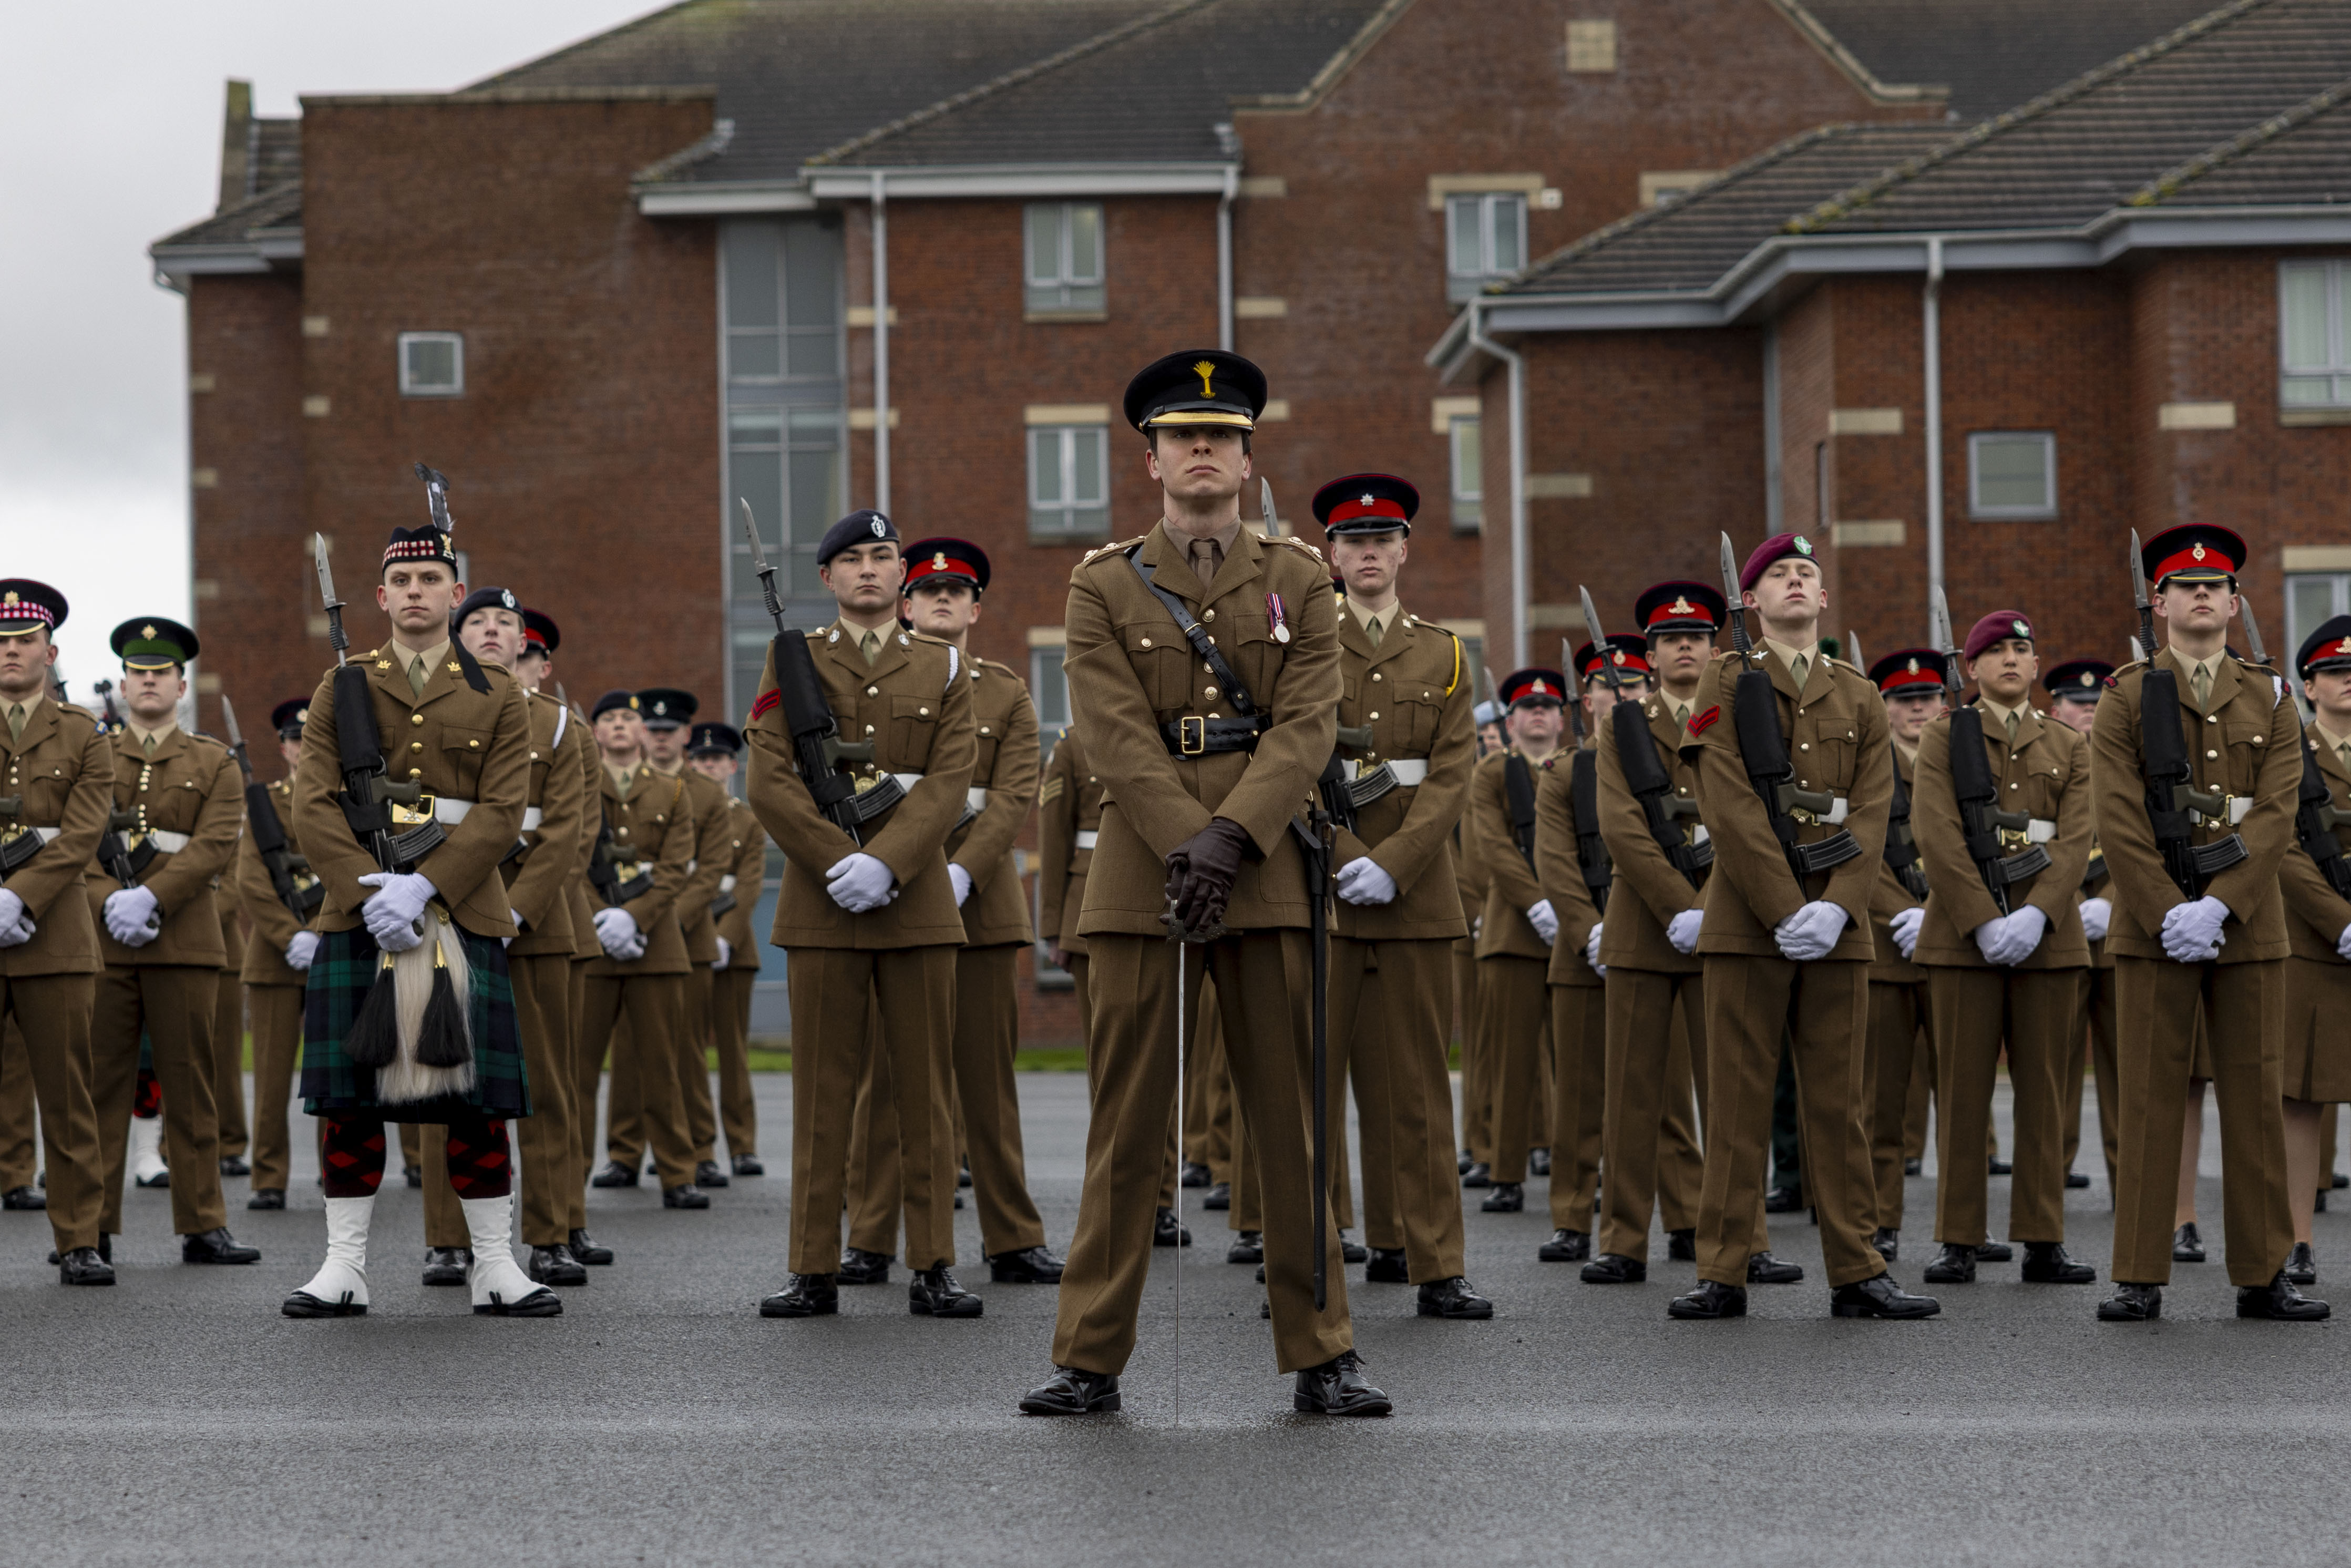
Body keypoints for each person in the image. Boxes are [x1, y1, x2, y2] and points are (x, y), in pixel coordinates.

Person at [1020, 350, 1385, 1417]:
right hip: (1145, 869)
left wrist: (1231, 836)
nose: (1201, 452)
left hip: (1264, 866)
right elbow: (1108, 729)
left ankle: (1324, 1354)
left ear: (1245, 456)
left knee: (1288, 1126)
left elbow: (1310, 719)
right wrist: (1189, 840)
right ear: (1150, 462)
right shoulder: (1102, 582)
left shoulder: (1300, 577)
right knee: (1128, 1128)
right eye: (1182, 436)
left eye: (1219, 437)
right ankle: (1087, 1358)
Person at [283, 510, 556, 1319]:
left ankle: (496, 1265)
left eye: (429, 578)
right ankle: (344, 1266)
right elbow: (313, 803)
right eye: (400, 580)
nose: (414, 591)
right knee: (352, 1099)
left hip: (463, 910)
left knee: (476, 1100)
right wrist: (373, 890)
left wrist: (426, 886)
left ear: (455, 591)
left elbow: (504, 812)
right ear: (379, 595)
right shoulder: (344, 685)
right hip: (361, 912)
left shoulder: (500, 693)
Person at [1672, 532, 1936, 1320]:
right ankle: (1722, 1267)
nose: (1794, 582)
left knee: (1838, 1103)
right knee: (1740, 1100)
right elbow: (1726, 802)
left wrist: (1836, 905)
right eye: (1777, 575)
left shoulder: (1856, 693)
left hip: (1837, 925)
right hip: (1750, 924)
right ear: (1749, 602)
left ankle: (1858, 1267)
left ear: (1823, 601)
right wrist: (1789, 909)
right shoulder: (1722, 678)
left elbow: (1872, 806)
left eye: (1806, 575)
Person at [745, 508, 979, 1321]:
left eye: (884, 556)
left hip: (914, 901)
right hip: (823, 901)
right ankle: (812, 1264)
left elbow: (952, 780)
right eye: (853, 559)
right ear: (828, 578)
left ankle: (934, 1262)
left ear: (902, 575)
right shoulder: (793, 660)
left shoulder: (945, 668)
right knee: (823, 1094)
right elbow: (769, 777)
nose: (871, 570)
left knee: (925, 1091)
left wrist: (887, 860)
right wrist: (832, 858)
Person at [2089, 524, 2321, 1321]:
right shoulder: (2124, 695)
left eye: (2215, 585)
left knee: (2254, 1095)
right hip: (2156, 926)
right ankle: (2139, 1271)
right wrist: (2169, 911)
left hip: (2246, 924)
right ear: (2158, 602)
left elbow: (2278, 810)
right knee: (2151, 1097)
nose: (2200, 595)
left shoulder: (2271, 696)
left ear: (2233, 602)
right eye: (2184, 586)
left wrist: (2219, 904)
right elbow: (2117, 819)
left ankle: (2261, 1272)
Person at [844, 537, 1063, 1284]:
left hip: (978, 899)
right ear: (904, 603)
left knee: (984, 1079)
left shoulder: (1004, 690)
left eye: (958, 591)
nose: (943, 600)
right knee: (885, 1077)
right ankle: (870, 1237)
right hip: (893, 895)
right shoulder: (874, 680)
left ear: (976, 608)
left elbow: (1011, 796)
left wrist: (965, 871)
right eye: (928, 590)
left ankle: (1011, 1235)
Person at [1312, 473, 1486, 1319]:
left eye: (1383, 539)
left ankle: (1434, 1260)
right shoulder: (1300, 644)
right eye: (1354, 541)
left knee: (1419, 1088)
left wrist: (1398, 861)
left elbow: (1455, 775)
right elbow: (1289, 762)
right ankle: (1309, 1260)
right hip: (1322, 889)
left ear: (1405, 550)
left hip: (1415, 894)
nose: (1369, 552)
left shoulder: (1445, 652)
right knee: (1309, 1088)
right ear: (1332, 556)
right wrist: (1346, 855)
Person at [1907, 611, 2097, 1286]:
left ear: (2036, 664)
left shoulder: (2069, 745)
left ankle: (2043, 1236)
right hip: (1964, 940)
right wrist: (1985, 920)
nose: (2012, 659)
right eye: (1997, 651)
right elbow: (1936, 831)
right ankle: (1960, 1235)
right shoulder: (1942, 737)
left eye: (2023, 648)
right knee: (1962, 1090)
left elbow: (2076, 838)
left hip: (2048, 939)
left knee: (2045, 1090)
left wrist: (2038, 914)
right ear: (1972, 667)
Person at [415, 588, 588, 1287]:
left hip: (534, 927)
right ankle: (447, 1238)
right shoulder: (434, 713)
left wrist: (515, 912)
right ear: (458, 637)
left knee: (547, 1087)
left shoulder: (560, 727)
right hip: (451, 914)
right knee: (441, 1079)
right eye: (478, 622)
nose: (492, 631)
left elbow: (566, 832)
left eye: (506, 624)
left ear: (526, 643)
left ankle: (550, 1233)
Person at [86, 617, 258, 1266]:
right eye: (140, 674)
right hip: (105, 943)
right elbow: (78, 845)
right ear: (126, 686)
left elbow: (218, 844)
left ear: (181, 685)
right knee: (102, 1086)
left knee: (192, 1084)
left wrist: (150, 897)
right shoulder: (91, 757)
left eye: (162, 673)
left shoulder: (214, 761)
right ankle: (89, 1228)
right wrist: (110, 901)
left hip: (185, 939)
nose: (150, 682)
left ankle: (203, 1223)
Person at [1581, 583, 1734, 1284]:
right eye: (1671, 638)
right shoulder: (1622, 725)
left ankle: (1740, 1238)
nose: (1685, 646)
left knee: (1732, 1092)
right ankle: (1620, 1240)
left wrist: (1712, 903)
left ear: (1714, 648)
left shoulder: (1737, 718)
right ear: (1649, 652)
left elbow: (1750, 816)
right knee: (1632, 1094)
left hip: (1728, 918)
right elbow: (1621, 825)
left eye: (1697, 636)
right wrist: (1679, 904)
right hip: (1644, 924)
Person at [0, 581, 116, 1284]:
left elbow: (83, 832)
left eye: (21, 640)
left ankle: (80, 1238)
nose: (9, 651)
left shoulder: (84, 733)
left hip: (55, 937)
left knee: (68, 1096)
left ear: (51, 650)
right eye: (0, 642)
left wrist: (19, 897)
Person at [577, 690, 710, 1212]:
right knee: (579, 1072)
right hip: (592, 945)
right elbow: (568, 857)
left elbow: (677, 868)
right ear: (596, 733)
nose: (619, 726)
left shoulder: (675, 791)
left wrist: (634, 917)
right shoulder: (583, 788)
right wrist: (601, 919)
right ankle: (572, 1178)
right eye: (608, 718)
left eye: (628, 718)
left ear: (642, 732)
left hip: (658, 946)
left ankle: (678, 1173)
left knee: (663, 1065)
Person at [1466, 667, 1569, 1221]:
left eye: (1548, 708)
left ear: (1561, 718)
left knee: (1579, 1063)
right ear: (1509, 721)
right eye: (1527, 709)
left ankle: (1583, 1166)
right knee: (1511, 1064)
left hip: (1576, 932)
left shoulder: (1580, 768)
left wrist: (1571, 910)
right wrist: (1535, 902)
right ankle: (1506, 1173)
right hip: (1514, 930)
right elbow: (1495, 847)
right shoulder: (1491, 773)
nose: (1537, 715)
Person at [1862, 648, 1945, 1261]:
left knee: (1962, 1100)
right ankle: (1880, 1218)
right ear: (1885, 709)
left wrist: (1940, 914)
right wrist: (1905, 914)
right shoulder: (1871, 766)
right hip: (1888, 951)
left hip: (1954, 947)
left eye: (1928, 698)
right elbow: (1856, 847)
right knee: (1881, 1101)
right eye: (1903, 700)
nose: (1918, 709)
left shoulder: (1963, 761)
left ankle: (1963, 1226)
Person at [2280, 617, 2351, 1285]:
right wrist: (2339, 920)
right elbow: (2283, 848)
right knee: (2301, 1099)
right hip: (2314, 946)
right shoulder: (2290, 750)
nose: (2349, 683)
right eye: (2337, 673)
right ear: (2310, 685)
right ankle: (2297, 1236)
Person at [233, 697, 323, 1210]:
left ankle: (340, 1169)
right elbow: (251, 880)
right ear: (283, 746)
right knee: (270, 1076)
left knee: (338, 1074)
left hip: (336, 949)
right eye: (294, 739)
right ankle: (269, 1177)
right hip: (275, 957)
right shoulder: (264, 801)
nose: (302, 748)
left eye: (311, 739)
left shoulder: (346, 799)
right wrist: (292, 936)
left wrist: (328, 932)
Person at [2044, 658, 2117, 1192]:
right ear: (2055, 709)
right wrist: (2064, 904)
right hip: (2054, 930)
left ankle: (2130, 1181)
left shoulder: (2128, 759)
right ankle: (2050, 1178)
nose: (2088, 713)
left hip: (2121, 931)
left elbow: (2152, 841)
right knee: (2052, 1070)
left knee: (2127, 1070)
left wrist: (2115, 902)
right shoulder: (2037, 758)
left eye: (2097, 705)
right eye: (2078, 705)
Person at [685, 721, 767, 1179]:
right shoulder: (680, 811)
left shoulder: (747, 818)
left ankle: (742, 1146)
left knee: (733, 1051)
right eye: (700, 759)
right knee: (687, 1049)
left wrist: (725, 937)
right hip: (686, 940)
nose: (709, 766)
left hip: (734, 947)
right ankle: (694, 1147)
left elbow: (752, 884)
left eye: (717, 759)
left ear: (732, 766)